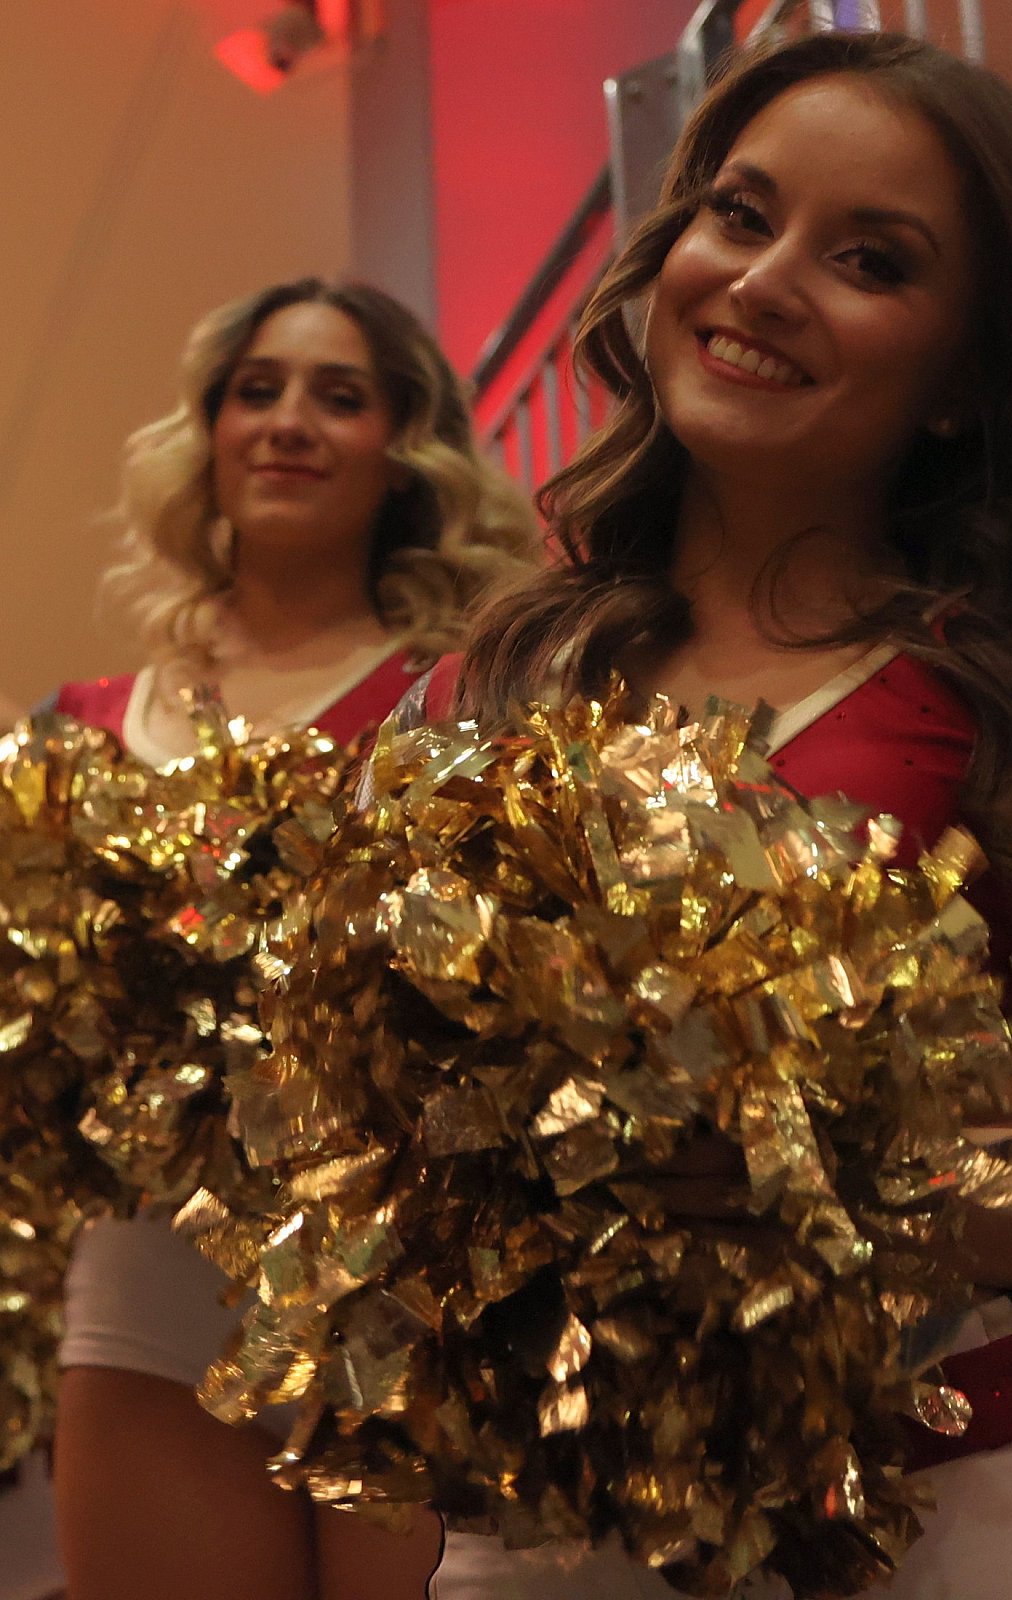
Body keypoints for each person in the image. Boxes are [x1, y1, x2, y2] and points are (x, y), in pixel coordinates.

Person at [403, 30, 1012, 1599]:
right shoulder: (491, 685)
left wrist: (837, 1168)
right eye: (740, 214)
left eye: (870, 261)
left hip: (958, 1502)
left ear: (967, 375)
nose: (765, 283)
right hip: (555, 1537)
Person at [47, 276, 534, 1600]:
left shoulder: (462, 700)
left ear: (404, 450)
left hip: (405, 1275)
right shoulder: (83, 725)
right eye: (256, 391)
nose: (289, 423)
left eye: (341, 395)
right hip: (149, 1279)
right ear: (208, 436)